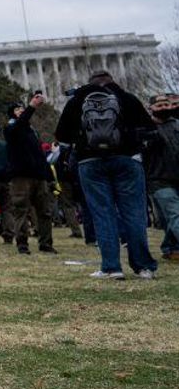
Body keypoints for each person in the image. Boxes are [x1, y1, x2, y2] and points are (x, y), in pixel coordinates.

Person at [55, 70, 156, 279]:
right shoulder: (127, 98)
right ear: (113, 82)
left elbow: (62, 135)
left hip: (90, 161)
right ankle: (144, 266)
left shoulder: (77, 100)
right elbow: (150, 130)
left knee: (102, 213)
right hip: (127, 159)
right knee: (134, 214)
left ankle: (112, 267)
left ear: (89, 83)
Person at [5, 93, 57, 255]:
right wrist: (31, 107)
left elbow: (41, 156)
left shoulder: (31, 132)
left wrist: (49, 177)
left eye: (22, 108)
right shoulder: (11, 129)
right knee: (21, 210)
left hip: (38, 175)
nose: (21, 111)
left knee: (44, 212)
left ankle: (46, 243)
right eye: (18, 109)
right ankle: (22, 244)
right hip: (21, 176)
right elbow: (20, 124)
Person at [145, 94, 179, 261]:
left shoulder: (176, 125)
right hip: (158, 179)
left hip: (176, 176)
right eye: (159, 106)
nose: (164, 108)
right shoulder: (146, 128)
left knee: (167, 217)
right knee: (175, 214)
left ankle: (170, 248)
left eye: (166, 104)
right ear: (151, 108)